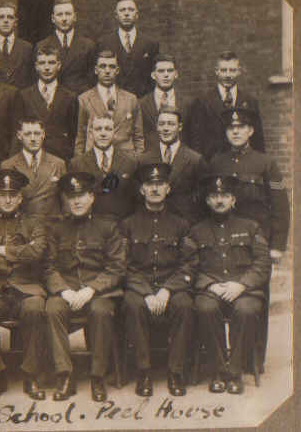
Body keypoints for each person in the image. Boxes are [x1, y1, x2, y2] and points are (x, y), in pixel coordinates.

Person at [45, 172, 127, 403]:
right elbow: (48, 267)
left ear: (92, 197)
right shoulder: (57, 229)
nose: (76, 201)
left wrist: (90, 290)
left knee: (101, 311)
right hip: (67, 290)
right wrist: (64, 290)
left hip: (97, 292)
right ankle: (64, 375)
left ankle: (97, 375)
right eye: (71, 197)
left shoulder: (107, 227)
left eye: (81, 195)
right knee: (52, 308)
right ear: (65, 200)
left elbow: (116, 268)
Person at [186, 174, 271, 395]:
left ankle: (233, 373)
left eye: (224, 195)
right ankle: (217, 369)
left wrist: (241, 285)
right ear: (207, 201)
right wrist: (209, 285)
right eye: (214, 196)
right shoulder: (196, 231)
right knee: (205, 308)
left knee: (245, 310)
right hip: (211, 290)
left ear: (233, 200)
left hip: (244, 291)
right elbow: (189, 267)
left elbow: (263, 263)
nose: (219, 200)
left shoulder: (251, 227)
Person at [0, 169, 48, 400]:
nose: (7, 200)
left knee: (35, 309)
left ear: (20, 198)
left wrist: (4, 251)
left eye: (12, 195)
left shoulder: (34, 223)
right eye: (2, 194)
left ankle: (30, 374)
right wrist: (20, 256)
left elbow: (38, 252)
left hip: (27, 288)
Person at [118, 163, 194, 397]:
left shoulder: (181, 224)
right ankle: (144, 371)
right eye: (149, 184)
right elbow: (123, 265)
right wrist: (146, 292)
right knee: (132, 304)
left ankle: (175, 371)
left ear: (168, 188)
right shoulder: (127, 225)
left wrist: (166, 290)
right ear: (141, 190)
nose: (154, 189)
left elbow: (189, 263)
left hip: (170, 286)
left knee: (185, 306)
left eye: (159, 184)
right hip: (140, 287)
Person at [208, 107, 289, 260]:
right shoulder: (216, 162)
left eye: (241, 127)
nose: (236, 132)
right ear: (226, 132)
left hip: (257, 241)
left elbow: (281, 206)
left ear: (250, 131)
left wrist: (277, 245)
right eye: (231, 128)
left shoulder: (266, 163)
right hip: (224, 242)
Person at [189, 50, 265, 159]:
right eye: (224, 70)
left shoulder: (250, 101)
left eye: (232, 70)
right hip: (213, 165)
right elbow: (196, 141)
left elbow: (258, 139)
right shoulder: (202, 101)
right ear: (217, 71)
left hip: (243, 164)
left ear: (239, 71)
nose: (228, 75)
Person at [139, 106, 206, 224]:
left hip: (184, 222)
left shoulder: (195, 159)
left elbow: (202, 197)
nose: (165, 128)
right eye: (162, 124)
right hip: (152, 221)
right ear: (156, 127)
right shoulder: (144, 159)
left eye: (171, 124)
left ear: (179, 127)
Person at [69, 114, 138, 221]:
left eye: (108, 129)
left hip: (122, 226)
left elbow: (136, 200)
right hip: (90, 226)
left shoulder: (130, 163)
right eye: (98, 129)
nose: (103, 134)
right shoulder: (77, 164)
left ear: (114, 132)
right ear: (91, 133)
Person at [75, 50, 144, 157]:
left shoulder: (131, 99)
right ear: (96, 70)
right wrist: (80, 163)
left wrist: (138, 160)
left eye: (111, 67)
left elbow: (138, 136)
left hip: (125, 159)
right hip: (95, 158)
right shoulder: (84, 99)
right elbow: (80, 137)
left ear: (117, 70)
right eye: (103, 66)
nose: (107, 71)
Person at [15, 44, 78, 161]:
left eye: (51, 63)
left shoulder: (70, 97)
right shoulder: (24, 95)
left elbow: (73, 134)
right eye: (42, 63)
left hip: (60, 156)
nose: (47, 67)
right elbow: (18, 132)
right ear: (36, 66)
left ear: (58, 65)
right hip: (32, 155)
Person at [95, 0, 160, 98]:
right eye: (122, 10)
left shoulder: (150, 44)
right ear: (116, 15)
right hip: (114, 100)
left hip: (141, 102)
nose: (126, 13)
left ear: (137, 14)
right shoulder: (103, 43)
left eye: (130, 10)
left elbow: (155, 78)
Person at [1, 117, 66, 220]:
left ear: (43, 135)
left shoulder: (58, 164)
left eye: (37, 133)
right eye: (27, 134)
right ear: (19, 136)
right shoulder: (8, 165)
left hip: (52, 226)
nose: (33, 138)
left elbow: (65, 202)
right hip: (22, 227)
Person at [35, 0, 96, 94]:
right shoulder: (42, 45)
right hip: (54, 100)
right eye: (60, 14)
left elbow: (92, 80)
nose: (64, 18)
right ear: (53, 18)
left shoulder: (88, 46)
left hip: (79, 99)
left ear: (75, 17)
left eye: (68, 14)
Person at [138, 54, 194, 148]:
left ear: (176, 74)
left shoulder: (188, 103)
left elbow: (193, 136)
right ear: (153, 75)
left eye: (170, 71)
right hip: (151, 158)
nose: (166, 75)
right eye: (161, 71)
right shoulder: (141, 104)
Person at [0, 2, 34, 89]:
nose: (6, 20)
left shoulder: (27, 48)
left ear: (15, 22)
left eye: (10, 17)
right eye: (1, 17)